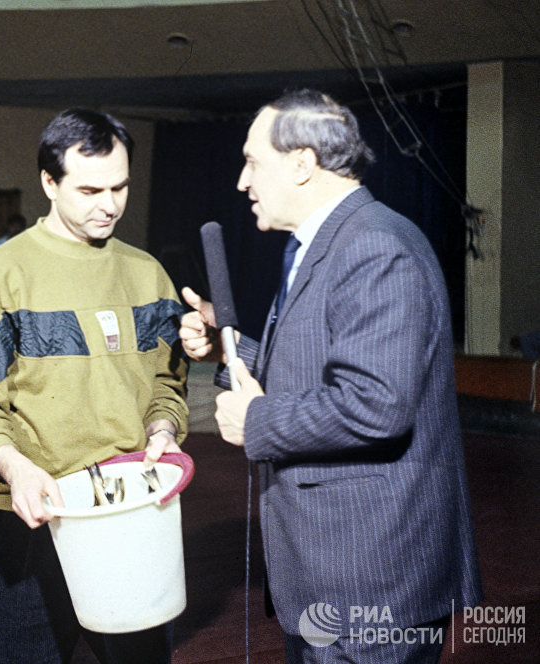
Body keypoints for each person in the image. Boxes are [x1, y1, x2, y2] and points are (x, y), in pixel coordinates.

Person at [180, 90, 481, 662]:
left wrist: (257, 419)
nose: (243, 182)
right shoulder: (330, 242)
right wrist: (230, 351)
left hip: (372, 579)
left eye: (251, 162)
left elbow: (375, 405)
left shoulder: (373, 248)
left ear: (301, 163)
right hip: (333, 577)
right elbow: (315, 366)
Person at [0, 108, 189, 664]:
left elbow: (166, 384)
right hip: (33, 522)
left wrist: (163, 427)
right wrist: (16, 466)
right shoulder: (3, 274)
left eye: (120, 186)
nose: (109, 204)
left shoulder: (146, 273)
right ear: (49, 183)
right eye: (90, 189)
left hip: (130, 519)